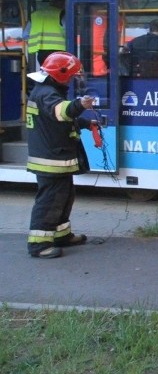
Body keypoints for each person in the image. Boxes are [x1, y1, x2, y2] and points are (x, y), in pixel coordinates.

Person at [25, 51, 96, 259]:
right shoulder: (47, 93)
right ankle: (38, 245)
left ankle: (61, 235)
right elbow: (61, 112)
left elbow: (58, 121)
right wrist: (80, 105)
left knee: (64, 197)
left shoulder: (48, 90)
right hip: (50, 159)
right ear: (62, 74)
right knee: (50, 201)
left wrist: (84, 122)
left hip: (56, 157)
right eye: (72, 75)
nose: (74, 79)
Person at [24, 0, 65, 65]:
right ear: (61, 3)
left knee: (45, 73)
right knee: (58, 73)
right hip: (60, 53)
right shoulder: (61, 13)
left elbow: (25, 35)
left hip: (42, 53)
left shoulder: (35, 14)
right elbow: (69, 31)